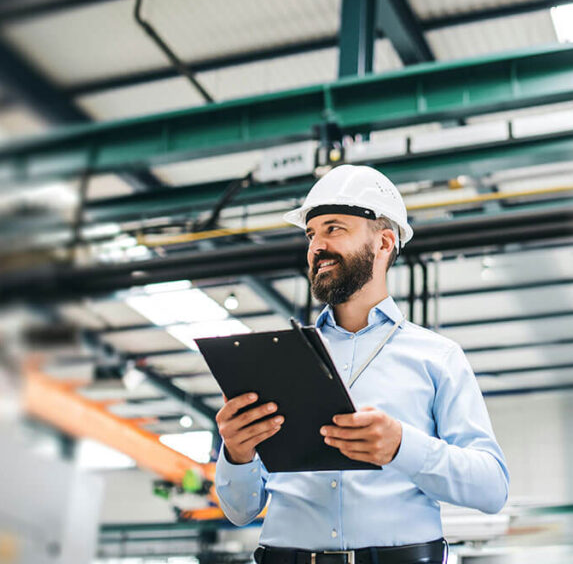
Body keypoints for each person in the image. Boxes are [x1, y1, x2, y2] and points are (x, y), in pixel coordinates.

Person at [213, 164, 509, 564]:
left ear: (384, 242)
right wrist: (237, 453)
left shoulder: (437, 357)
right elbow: (240, 510)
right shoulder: (277, 361)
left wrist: (402, 446)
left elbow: (491, 488)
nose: (316, 247)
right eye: (311, 234)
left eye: (334, 229)